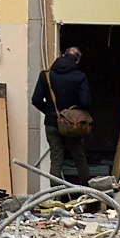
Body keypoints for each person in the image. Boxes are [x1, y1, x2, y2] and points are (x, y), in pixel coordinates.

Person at [31, 47, 93, 186]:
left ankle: (54, 195)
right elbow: (85, 102)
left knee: (56, 158)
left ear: (62, 55)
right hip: (74, 124)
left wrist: (51, 113)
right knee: (79, 157)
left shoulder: (45, 75)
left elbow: (35, 100)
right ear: (77, 61)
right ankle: (87, 191)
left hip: (52, 123)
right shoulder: (80, 76)